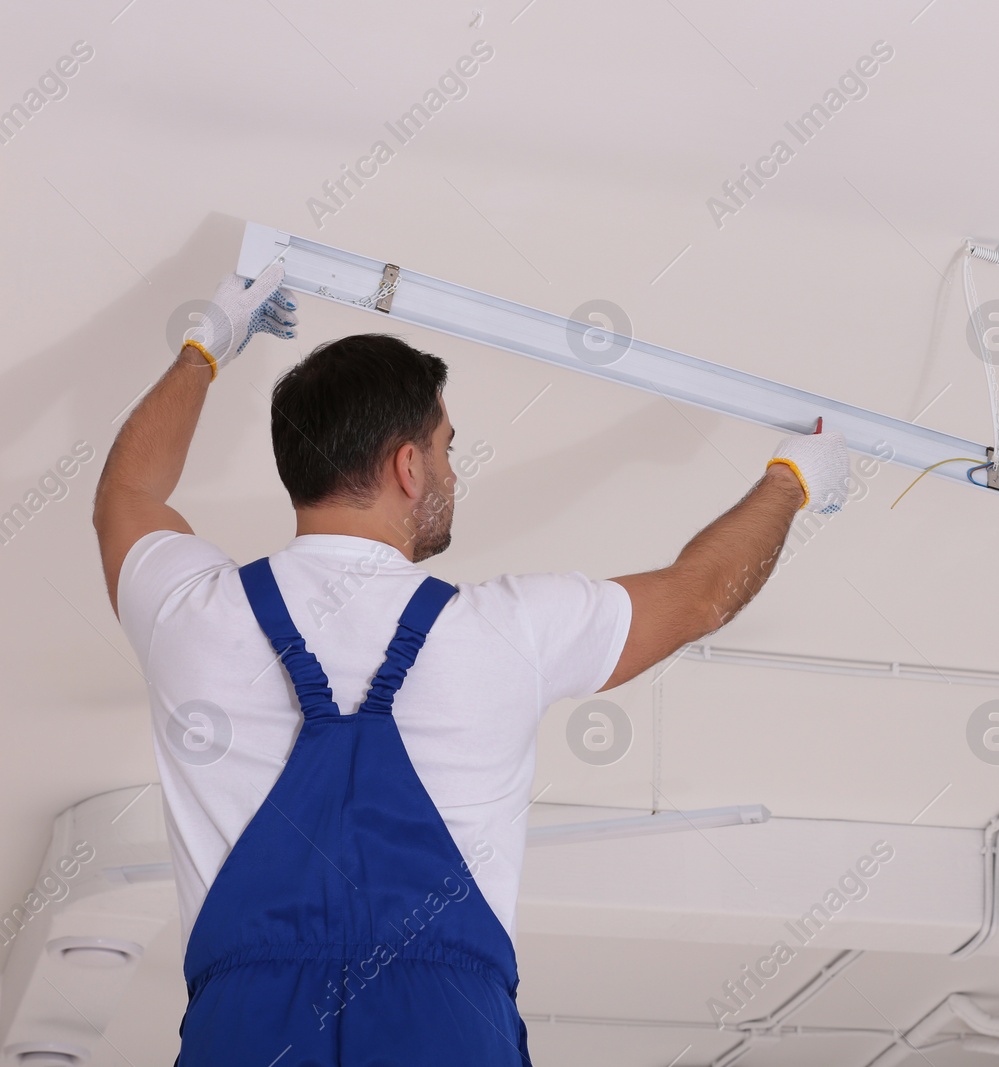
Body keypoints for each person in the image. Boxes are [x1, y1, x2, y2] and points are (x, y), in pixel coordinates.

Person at [91, 263, 851, 1065]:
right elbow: (700, 597)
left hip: (245, 1035)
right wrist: (791, 480)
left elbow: (125, 491)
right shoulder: (505, 631)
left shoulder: (193, 616)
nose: (451, 472)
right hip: (446, 1032)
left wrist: (202, 350)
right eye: (446, 449)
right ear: (407, 467)